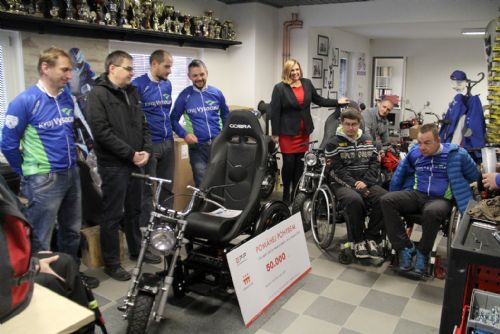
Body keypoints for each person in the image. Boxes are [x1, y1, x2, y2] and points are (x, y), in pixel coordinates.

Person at [0, 47, 98, 288]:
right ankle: (41, 283)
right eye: (65, 70)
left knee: (71, 231)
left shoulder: (66, 97)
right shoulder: (24, 101)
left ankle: (70, 273)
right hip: (43, 179)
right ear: (45, 68)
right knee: (40, 236)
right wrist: (26, 172)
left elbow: (70, 132)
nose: (69, 75)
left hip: (71, 173)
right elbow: (8, 143)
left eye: (71, 70)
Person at [86, 50, 156, 281]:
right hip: (114, 165)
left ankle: (137, 251)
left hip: (136, 162)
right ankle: (112, 263)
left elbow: (143, 124)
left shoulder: (132, 92)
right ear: (112, 68)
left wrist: (146, 149)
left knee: (135, 211)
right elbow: (101, 132)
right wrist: (130, 154)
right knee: (113, 215)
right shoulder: (98, 94)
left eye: (132, 69)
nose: (131, 73)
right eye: (128, 68)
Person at [381, 123, 479, 275]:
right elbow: (400, 174)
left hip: (440, 200)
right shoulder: (414, 154)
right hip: (416, 194)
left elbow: (474, 175)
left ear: (438, 140)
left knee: (432, 212)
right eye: (419, 143)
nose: (422, 147)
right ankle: (405, 248)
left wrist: (459, 180)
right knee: (386, 200)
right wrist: (395, 190)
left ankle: (422, 253)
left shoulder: (457, 154)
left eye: (427, 143)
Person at [270, 58, 349, 203]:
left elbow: (319, 100)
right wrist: (275, 133)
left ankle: (296, 194)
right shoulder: (280, 88)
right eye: (292, 70)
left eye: (297, 69)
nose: (295, 72)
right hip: (287, 134)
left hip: (303, 133)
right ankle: (286, 193)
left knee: (300, 165)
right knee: (288, 164)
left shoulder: (306, 83)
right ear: (287, 72)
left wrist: (337, 102)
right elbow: (274, 112)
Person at [324, 108, 387, 259]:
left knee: (385, 199)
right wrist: (355, 185)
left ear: (360, 124)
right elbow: (336, 170)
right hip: (342, 184)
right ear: (342, 123)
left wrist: (364, 183)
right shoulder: (333, 143)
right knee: (354, 200)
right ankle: (358, 240)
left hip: (366, 182)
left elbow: (374, 164)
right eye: (347, 124)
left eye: (354, 124)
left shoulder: (368, 140)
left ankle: (370, 237)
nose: (351, 128)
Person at [132, 50, 175, 227]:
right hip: (151, 145)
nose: (170, 70)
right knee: (148, 190)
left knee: (167, 188)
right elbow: (135, 118)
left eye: (171, 66)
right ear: (154, 64)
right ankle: (146, 230)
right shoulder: (138, 85)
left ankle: (164, 226)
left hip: (168, 142)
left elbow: (166, 112)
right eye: (167, 66)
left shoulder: (167, 85)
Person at [171, 59, 229, 187]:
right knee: (202, 186)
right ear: (189, 76)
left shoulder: (217, 93)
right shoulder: (184, 96)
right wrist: (184, 135)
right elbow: (173, 119)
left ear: (206, 73)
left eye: (201, 74)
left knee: (220, 183)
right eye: (195, 75)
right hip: (197, 149)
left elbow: (226, 115)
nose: (199, 78)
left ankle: (218, 208)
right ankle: (203, 207)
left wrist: (225, 136)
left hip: (217, 146)